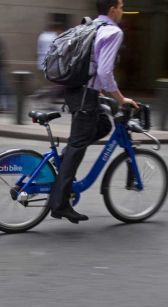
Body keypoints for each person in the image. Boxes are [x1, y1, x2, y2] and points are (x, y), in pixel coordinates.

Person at [47, 0, 138, 224]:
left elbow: (90, 66)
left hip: (75, 90)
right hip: (86, 95)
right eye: (122, 7)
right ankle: (60, 204)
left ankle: (63, 163)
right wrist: (120, 98)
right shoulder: (113, 32)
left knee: (104, 125)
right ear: (112, 10)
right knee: (78, 145)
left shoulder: (90, 26)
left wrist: (101, 94)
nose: (123, 11)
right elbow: (105, 72)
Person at [33, 22, 64, 106]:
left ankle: (40, 96)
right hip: (51, 64)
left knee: (47, 84)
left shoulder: (42, 36)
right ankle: (44, 98)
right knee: (54, 84)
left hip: (41, 63)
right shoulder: (54, 37)